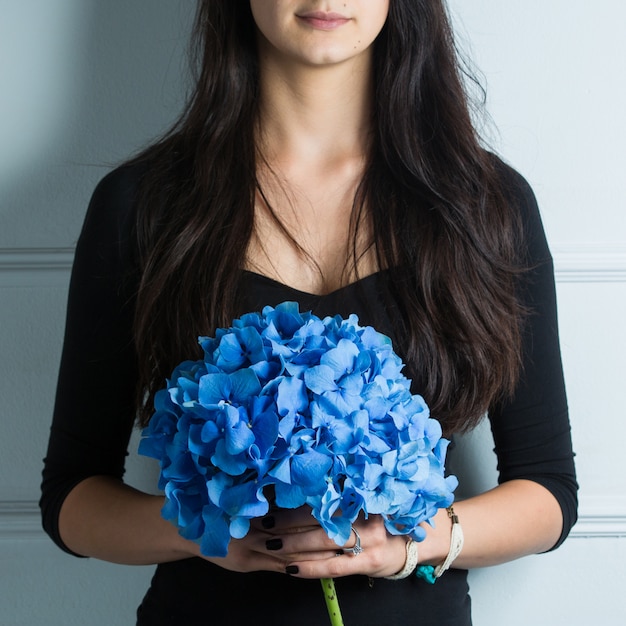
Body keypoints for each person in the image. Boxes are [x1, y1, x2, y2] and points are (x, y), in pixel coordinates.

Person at [40, 2, 578, 624]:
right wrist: (204, 531)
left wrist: (412, 541)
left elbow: (548, 491)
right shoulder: (143, 206)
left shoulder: (485, 206)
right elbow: (71, 499)